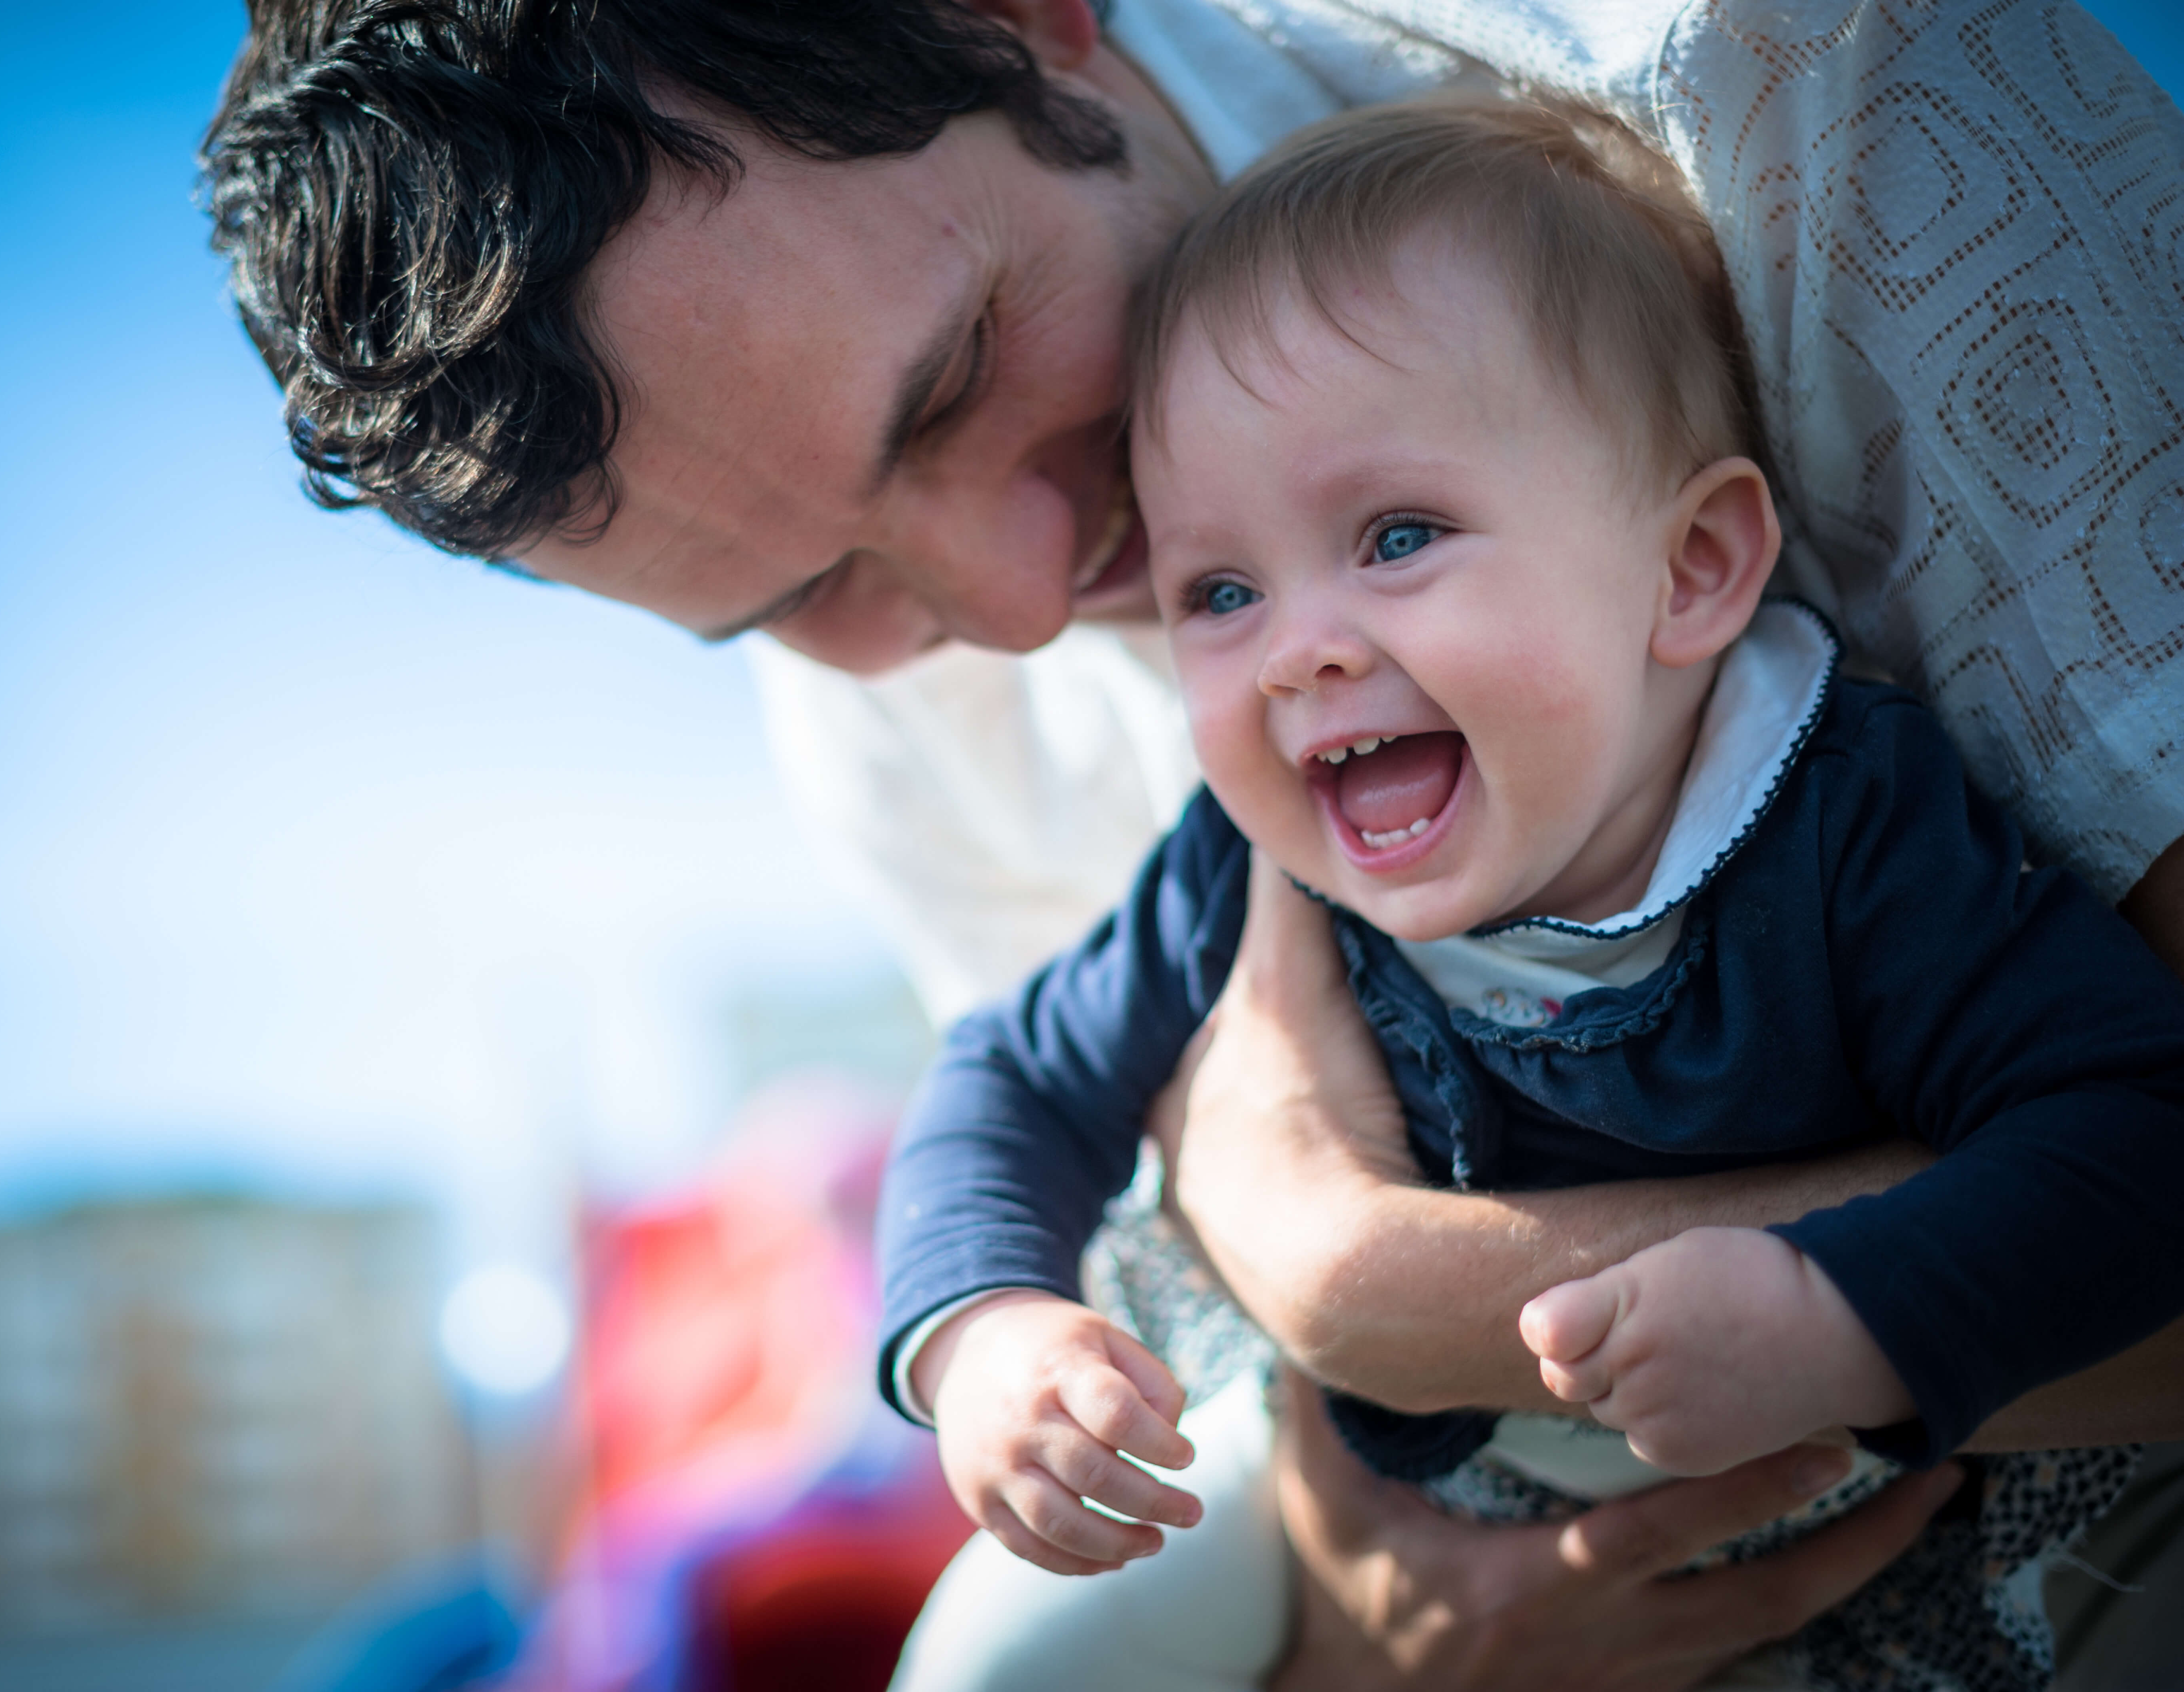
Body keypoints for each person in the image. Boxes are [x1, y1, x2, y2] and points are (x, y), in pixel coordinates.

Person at [196, 0, 2184, 1683]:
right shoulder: (890, 732)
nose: (1018, 597)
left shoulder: (1810, 94)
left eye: (958, 376)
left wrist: (1363, 1278)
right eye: (805, 596)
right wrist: (1328, 1591)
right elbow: (1079, 1190)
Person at [873, 96, 2184, 1692]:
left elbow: (2133, 1123)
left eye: (1399, 535)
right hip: (1336, 1494)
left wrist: (1843, 1312)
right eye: (1220, 589)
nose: (1301, 648)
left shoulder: (1834, 827)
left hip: (1866, 1531)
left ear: (1690, 570)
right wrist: (984, 1334)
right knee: (994, 1666)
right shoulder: (1252, 857)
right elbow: (1012, 1072)